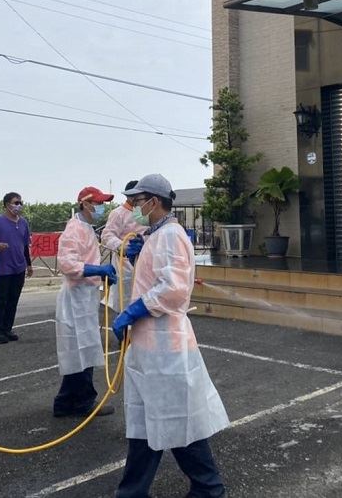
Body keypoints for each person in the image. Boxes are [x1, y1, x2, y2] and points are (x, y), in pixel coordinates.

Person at [111, 174, 229, 498]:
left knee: (177, 422)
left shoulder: (172, 236)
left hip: (167, 347)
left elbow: (173, 290)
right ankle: (134, 491)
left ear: (155, 200)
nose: (134, 207)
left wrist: (132, 312)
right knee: (148, 422)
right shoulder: (156, 235)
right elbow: (155, 278)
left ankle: (209, 488)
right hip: (150, 346)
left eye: (138, 201)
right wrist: (138, 254)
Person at [53, 186, 119, 418]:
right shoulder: (74, 229)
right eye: (98, 203)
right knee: (81, 351)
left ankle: (66, 402)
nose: (101, 207)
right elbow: (67, 264)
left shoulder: (86, 228)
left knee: (81, 351)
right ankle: (81, 402)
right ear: (85, 203)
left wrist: (99, 272)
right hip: (75, 298)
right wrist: (98, 269)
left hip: (84, 296)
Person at [0, 192, 34, 344]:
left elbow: (25, 245)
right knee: (1, 300)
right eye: (15, 202)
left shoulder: (23, 223)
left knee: (13, 299)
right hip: (3, 268)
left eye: (20, 203)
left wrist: (29, 264)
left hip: (18, 267)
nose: (18, 205)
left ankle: (7, 328)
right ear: (7, 204)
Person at [100, 180, 148, 313]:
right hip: (125, 265)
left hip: (143, 262)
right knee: (125, 303)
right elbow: (107, 235)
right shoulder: (118, 213)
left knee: (143, 300)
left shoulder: (145, 213)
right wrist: (123, 247)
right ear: (131, 197)